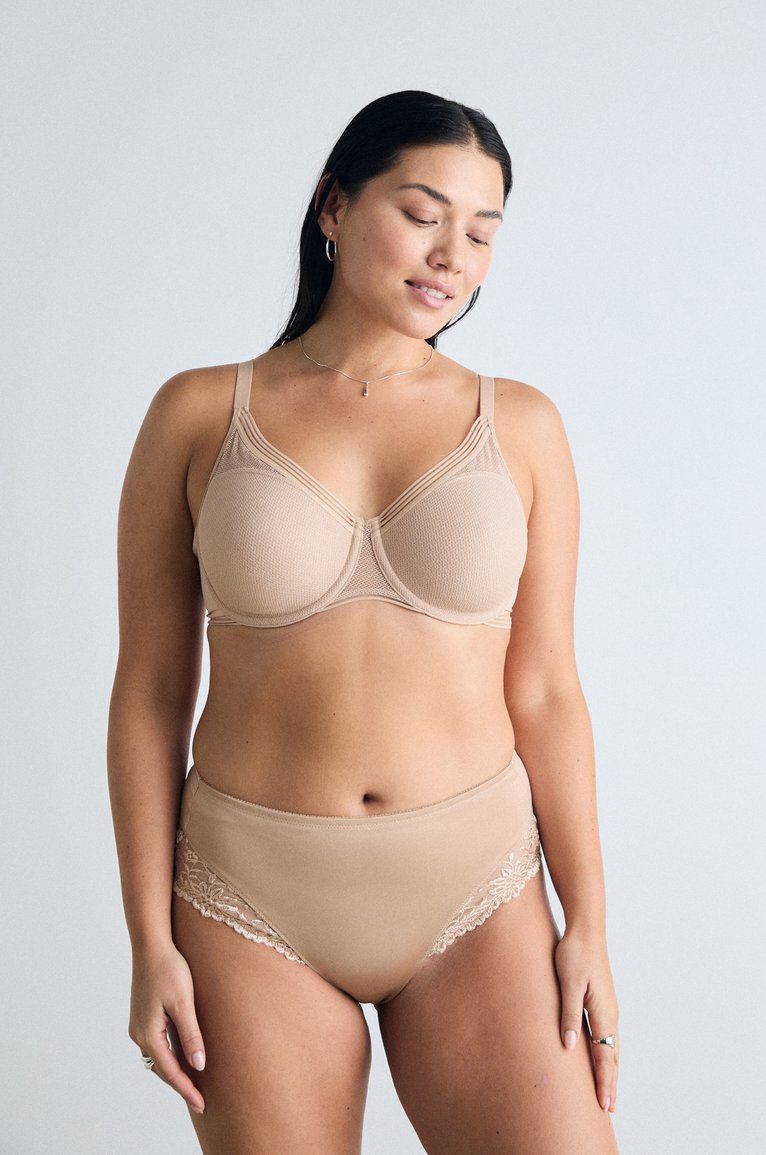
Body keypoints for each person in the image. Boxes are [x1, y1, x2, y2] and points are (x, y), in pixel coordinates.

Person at [107, 89, 620, 1154]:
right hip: (248, 896)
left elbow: (546, 691)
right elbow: (150, 692)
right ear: (333, 206)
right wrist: (148, 939)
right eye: (423, 214)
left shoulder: (522, 425)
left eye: (481, 232)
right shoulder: (197, 413)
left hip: (478, 890)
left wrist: (590, 925)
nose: (451, 256)